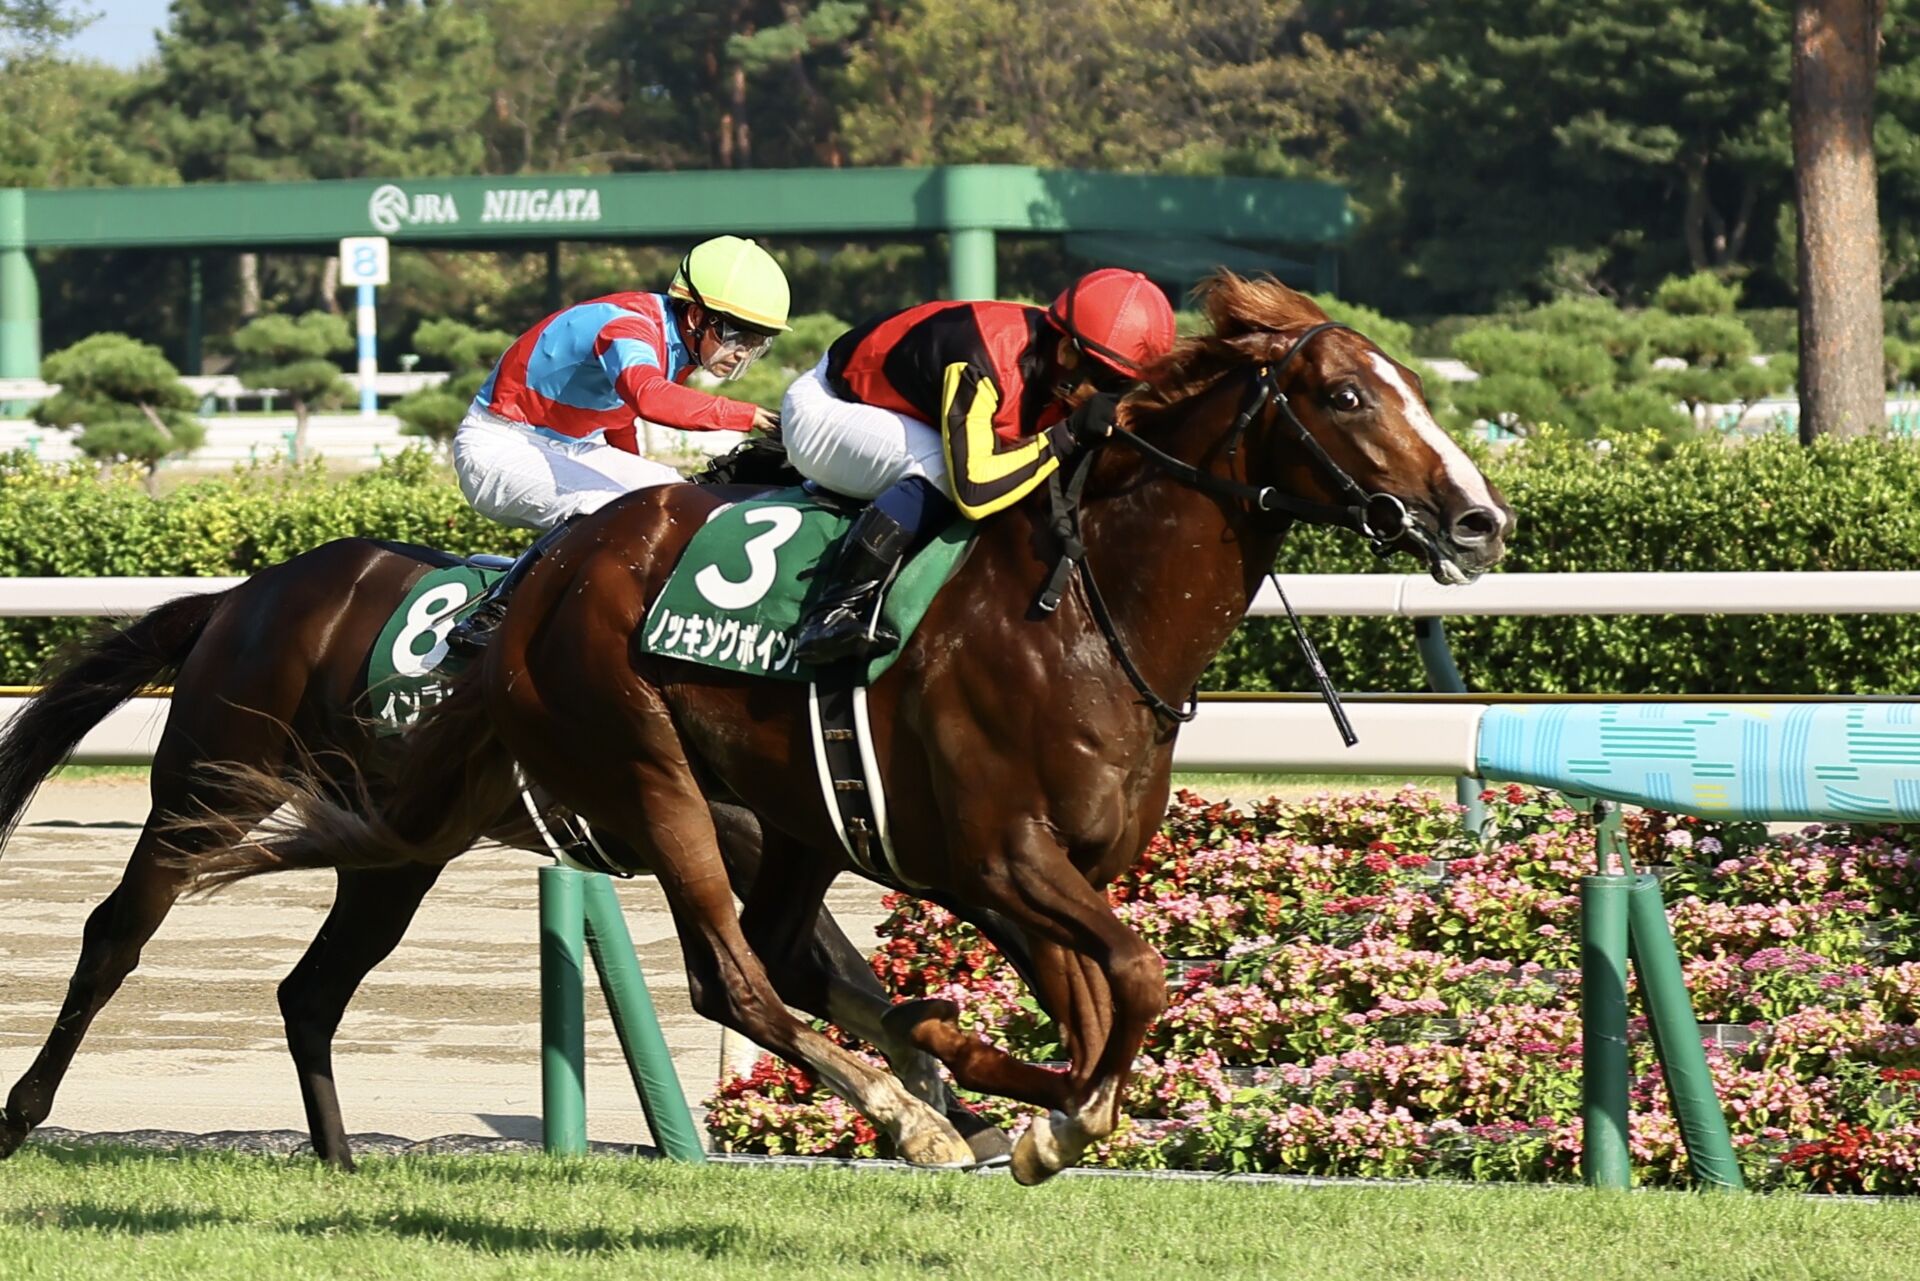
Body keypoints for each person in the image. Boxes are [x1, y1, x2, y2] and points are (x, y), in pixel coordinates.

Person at [781, 268, 1176, 665]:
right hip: (827, 408)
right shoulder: (980, 360)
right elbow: (975, 491)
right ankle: (830, 614)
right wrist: (1067, 435)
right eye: (1106, 381)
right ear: (1066, 352)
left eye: (1125, 387)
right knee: (941, 467)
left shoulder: (1055, 363)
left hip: (903, 410)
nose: (1108, 397)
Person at [446, 235, 789, 653]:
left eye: (755, 343)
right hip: (499, 445)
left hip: (572, 445)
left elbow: (620, 421)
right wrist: (748, 416)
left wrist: (648, 488)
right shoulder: (629, 325)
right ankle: (495, 614)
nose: (741, 353)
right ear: (697, 315)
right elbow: (647, 397)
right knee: (601, 505)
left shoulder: (676, 344)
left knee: (674, 498)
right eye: (738, 335)